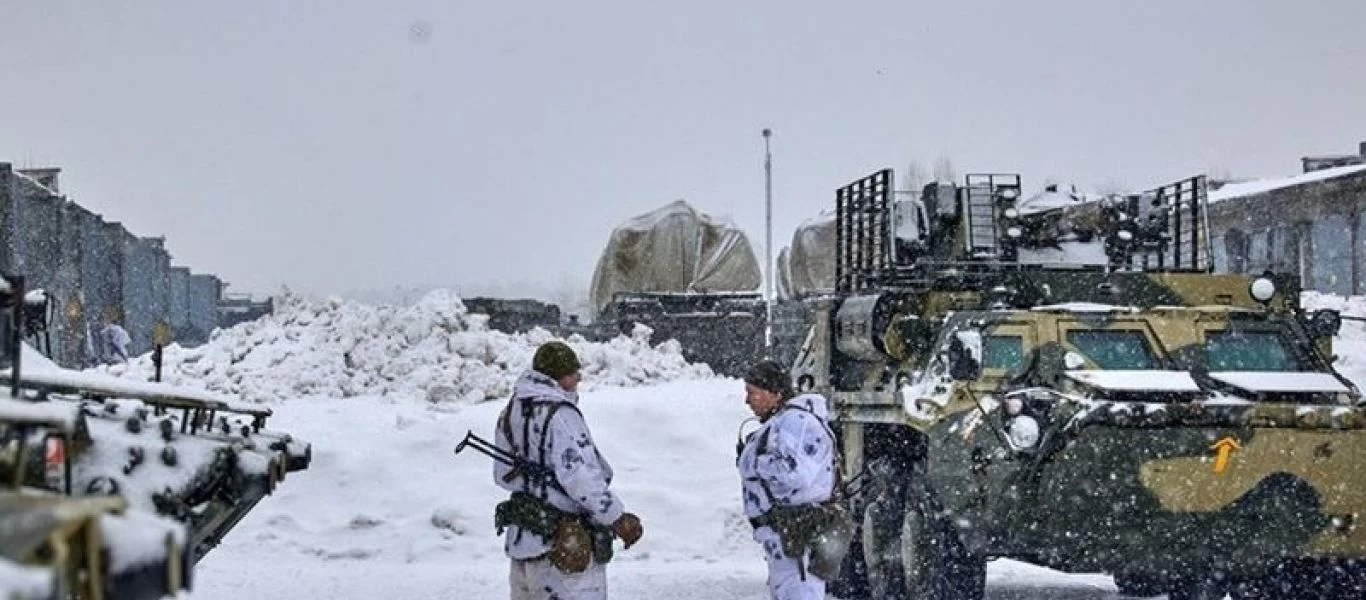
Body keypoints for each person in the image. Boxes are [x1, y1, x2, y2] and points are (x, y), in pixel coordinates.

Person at [493, 340, 644, 600]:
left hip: (523, 542)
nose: (579, 379)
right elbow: (580, 478)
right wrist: (616, 517)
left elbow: (502, 474)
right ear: (559, 376)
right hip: (562, 551)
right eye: (574, 373)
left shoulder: (510, 413)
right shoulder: (561, 414)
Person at [736, 359, 840, 600]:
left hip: (796, 537)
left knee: (800, 592)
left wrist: (754, 463)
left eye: (753, 393)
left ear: (775, 393)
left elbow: (796, 473)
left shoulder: (796, 422)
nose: (747, 400)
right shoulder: (783, 421)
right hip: (784, 537)